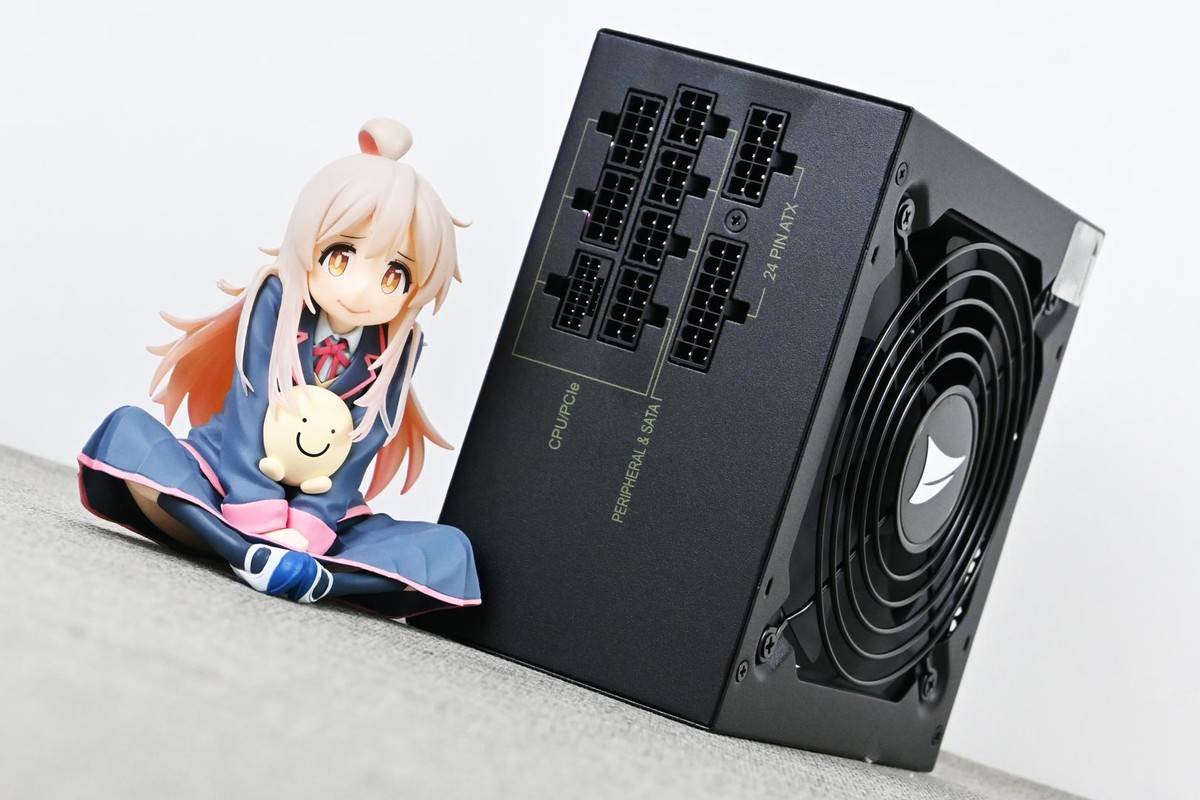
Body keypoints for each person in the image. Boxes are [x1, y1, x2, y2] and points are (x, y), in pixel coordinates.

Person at [78, 119, 481, 617]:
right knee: (125, 431)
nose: (360, 291)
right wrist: (260, 513)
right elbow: (252, 404)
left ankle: (290, 566)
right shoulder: (276, 297)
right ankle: (253, 553)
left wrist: (310, 525)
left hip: (322, 513)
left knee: (451, 550)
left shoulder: (402, 342)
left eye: (394, 275)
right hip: (226, 476)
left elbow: (365, 441)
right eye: (341, 258)